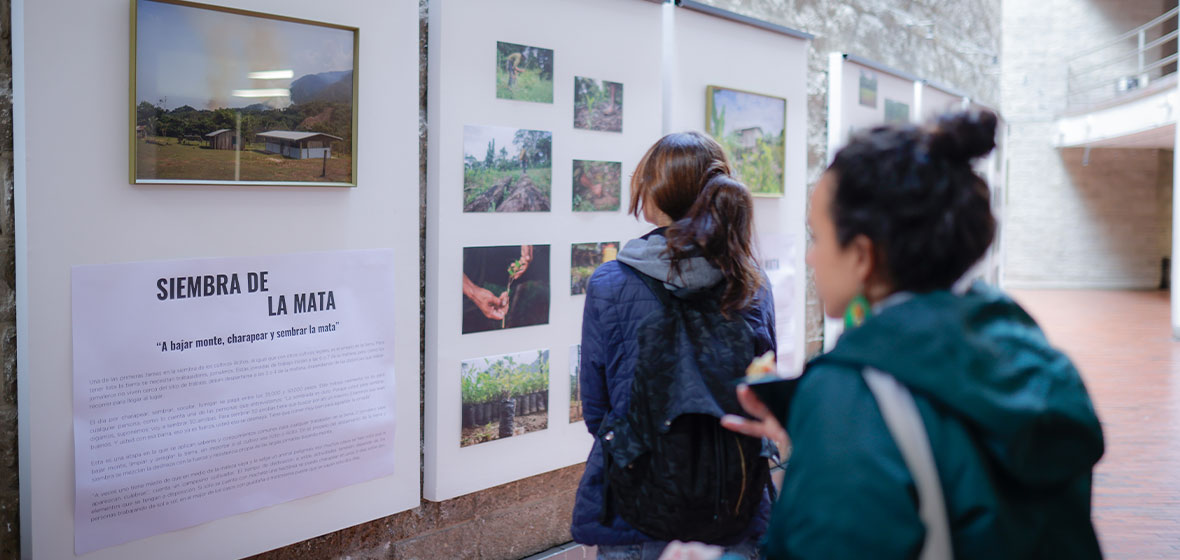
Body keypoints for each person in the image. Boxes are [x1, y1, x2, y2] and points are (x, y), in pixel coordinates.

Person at [663, 110, 1105, 560]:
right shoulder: (1033, 359)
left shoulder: (856, 393)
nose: (812, 258)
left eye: (819, 237)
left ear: (861, 255)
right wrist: (820, 440)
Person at [571, 132, 777, 560]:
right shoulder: (750, 282)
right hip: (732, 494)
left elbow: (597, 404)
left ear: (654, 192)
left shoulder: (610, 283)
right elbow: (762, 389)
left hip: (636, 496)